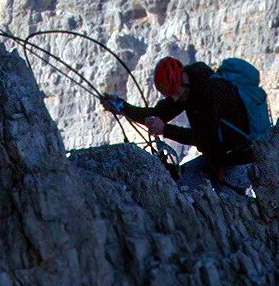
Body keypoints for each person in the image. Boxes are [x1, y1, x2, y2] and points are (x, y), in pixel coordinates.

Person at [102, 56, 260, 197]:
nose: (175, 99)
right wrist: (122, 106)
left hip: (238, 161)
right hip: (216, 158)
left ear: (182, 80)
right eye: (171, 95)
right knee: (181, 184)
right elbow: (158, 113)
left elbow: (204, 138)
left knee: (228, 210)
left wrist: (165, 130)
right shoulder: (185, 89)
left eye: (175, 93)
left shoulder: (211, 92)